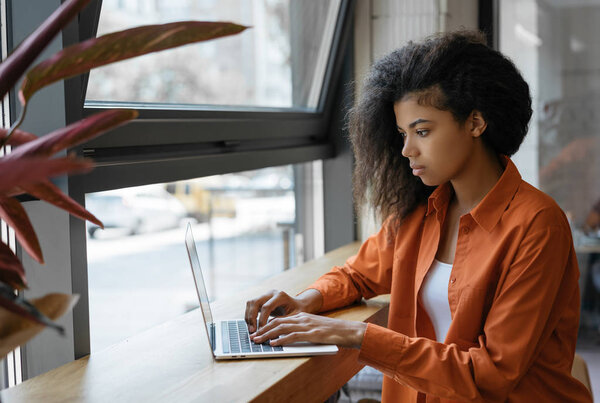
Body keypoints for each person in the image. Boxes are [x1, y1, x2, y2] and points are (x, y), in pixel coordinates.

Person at [244, 31, 593, 402]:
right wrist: (306, 300)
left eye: (422, 131)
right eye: (402, 133)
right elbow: (359, 274)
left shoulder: (538, 225)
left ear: (476, 123)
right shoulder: (421, 212)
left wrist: (352, 334)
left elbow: (489, 375)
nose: (407, 149)